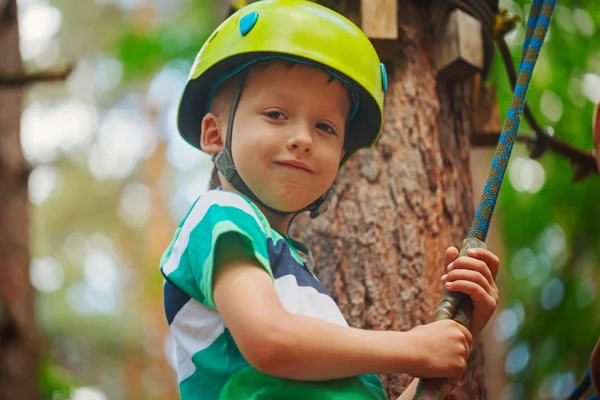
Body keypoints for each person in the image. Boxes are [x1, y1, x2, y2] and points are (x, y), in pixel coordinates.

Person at [160, 1, 500, 399]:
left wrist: (459, 329)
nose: (303, 138)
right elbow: (270, 340)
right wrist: (413, 348)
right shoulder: (219, 213)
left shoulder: (299, 287)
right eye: (275, 114)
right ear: (214, 135)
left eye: (324, 126)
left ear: (339, 157)